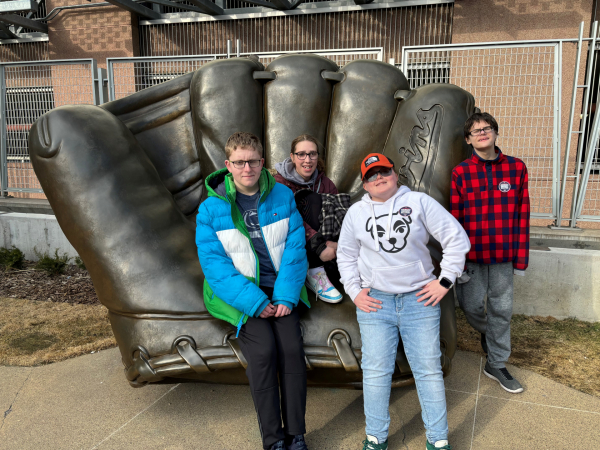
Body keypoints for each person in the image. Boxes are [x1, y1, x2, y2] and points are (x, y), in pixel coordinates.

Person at [337, 153, 470, 450]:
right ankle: (375, 437)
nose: (378, 178)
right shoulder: (357, 214)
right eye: (371, 175)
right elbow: (345, 256)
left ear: (395, 174)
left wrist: (445, 280)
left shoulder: (420, 203)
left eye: (384, 171)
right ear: (365, 184)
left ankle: (438, 439)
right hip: (376, 302)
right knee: (375, 371)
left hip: (419, 300)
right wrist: (354, 291)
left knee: (428, 370)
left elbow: (456, 238)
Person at [196, 131, 310, 450]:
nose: (247, 168)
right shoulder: (210, 210)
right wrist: (256, 303)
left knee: (291, 350)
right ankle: (273, 440)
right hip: (243, 296)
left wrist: (286, 296)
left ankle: (295, 434)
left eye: (253, 161)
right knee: (262, 354)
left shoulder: (283, 196)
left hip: (280, 291)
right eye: (239, 162)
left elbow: (295, 248)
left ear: (262, 163)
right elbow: (216, 267)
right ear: (228, 165)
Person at [451, 112, 530, 394]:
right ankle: (489, 333)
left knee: (502, 310)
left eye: (487, 129)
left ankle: (496, 363)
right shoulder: (460, 172)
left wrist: (521, 260)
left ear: (495, 133)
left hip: (502, 258)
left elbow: (522, 216)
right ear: (468, 139)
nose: (482, 133)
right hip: (472, 258)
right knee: (471, 308)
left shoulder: (516, 169)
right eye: (475, 131)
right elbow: (455, 221)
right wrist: (456, 261)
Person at [274, 134, 344, 303]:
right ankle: (313, 269)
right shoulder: (278, 183)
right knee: (308, 199)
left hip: (325, 241)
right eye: (301, 154)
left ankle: (318, 272)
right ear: (292, 157)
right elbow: (287, 218)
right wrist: (319, 246)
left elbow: (338, 216)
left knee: (333, 203)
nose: (308, 159)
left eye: (312, 154)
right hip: (293, 239)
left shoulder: (326, 183)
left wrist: (338, 244)